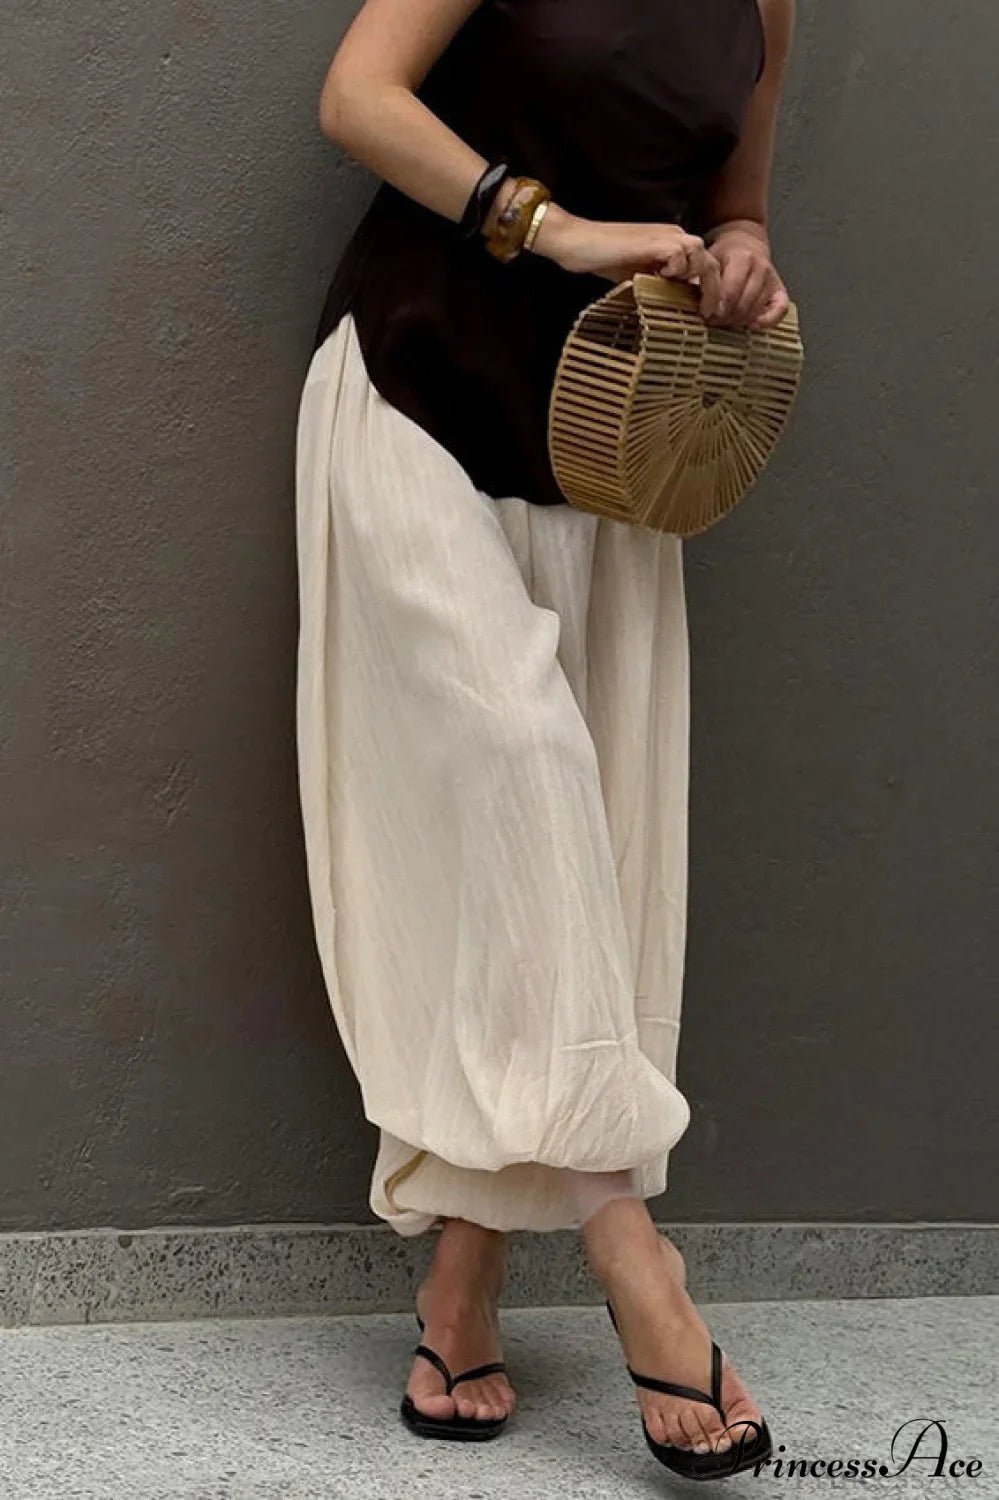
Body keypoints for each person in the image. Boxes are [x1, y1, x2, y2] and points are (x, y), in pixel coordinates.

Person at [294, 0, 794, 1479]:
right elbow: (357, 94)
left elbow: (740, 200)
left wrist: (745, 253)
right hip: (419, 388)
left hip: (608, 447)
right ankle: (634, 1251)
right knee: (523, 768)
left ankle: (463, 1281)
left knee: (563, 851)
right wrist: (555, 227)